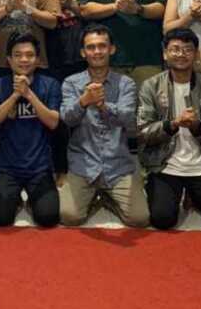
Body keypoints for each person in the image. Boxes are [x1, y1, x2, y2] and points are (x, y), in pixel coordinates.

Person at [138, 28, 201, 230]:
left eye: (188, 50)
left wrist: (197, 126)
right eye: (175, 49)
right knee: (162, 219)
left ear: (196, 54)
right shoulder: (150, 86)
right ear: (165, 54)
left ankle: (194, 195)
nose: (181, 54)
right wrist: (172, 124)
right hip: (165, 164)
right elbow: (143, 132)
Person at [59, 24, 148, 227]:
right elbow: (67, 119)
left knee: (139, 219)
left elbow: (128, 119)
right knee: (69, 217)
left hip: (118, 164)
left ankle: (108, 200)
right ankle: (93, 199)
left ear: (112, 49)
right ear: (83, 52)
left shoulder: (126, 83)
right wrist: (83, 101)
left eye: (102, 46)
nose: (97, 51)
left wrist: (102, 105)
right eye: (91, 47)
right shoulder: (71, 82)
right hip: (83, 163)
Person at [0, 30, 62, 227]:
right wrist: (14, 96)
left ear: (37, 60)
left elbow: (53, 122)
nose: (24, 60)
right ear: (9, 60)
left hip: (40, 167)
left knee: (48, 218)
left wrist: (28, 95)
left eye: (29, 55)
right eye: (18, 55)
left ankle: (32, 201)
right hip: (7, 168)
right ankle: (16, 200)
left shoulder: (50, 85)